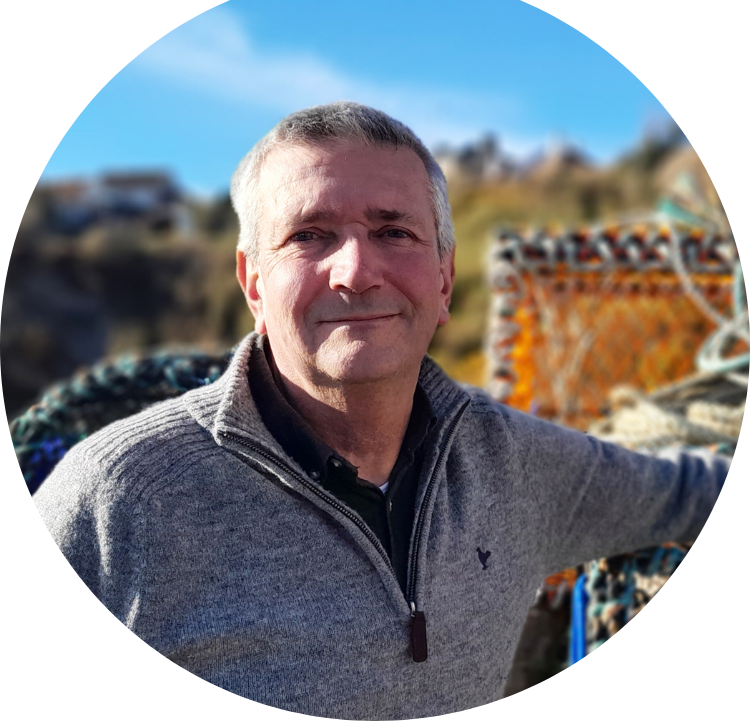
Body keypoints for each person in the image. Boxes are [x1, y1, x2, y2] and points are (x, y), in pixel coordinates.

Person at [32, 102, 729, 718]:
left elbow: (685, 491)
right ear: (252, 282)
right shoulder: (119, 496)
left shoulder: (518, 465)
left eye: (394, 232)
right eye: (310, 235)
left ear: (445, 278)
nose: (356, 271)